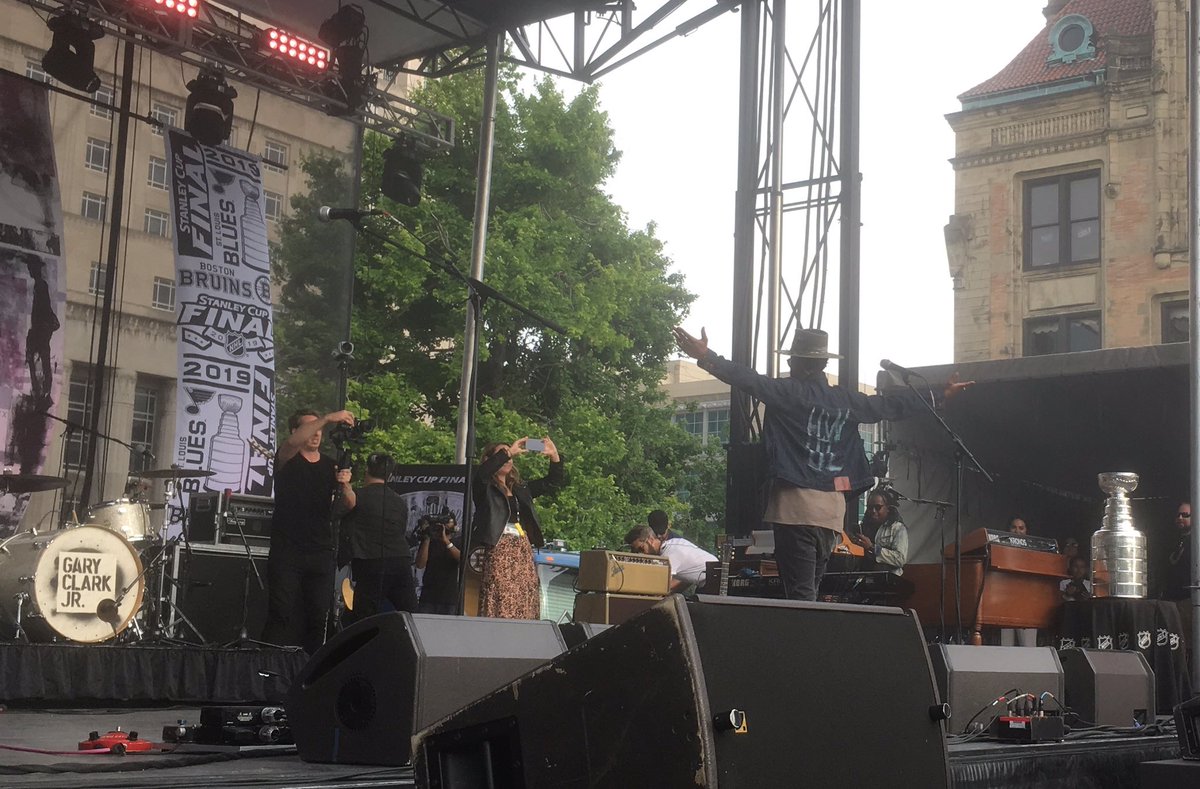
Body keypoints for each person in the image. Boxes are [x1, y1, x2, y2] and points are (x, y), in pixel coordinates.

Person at [673, 325, 971, 601]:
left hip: (795, 508)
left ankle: (805, 655)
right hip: (831, 514)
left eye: (791, 361)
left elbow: (747, 379)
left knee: (801, 596)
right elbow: (888, 406)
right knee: (810, 591)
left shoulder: (788, 392)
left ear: (798, 363)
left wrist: (706, 357)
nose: (788, 365)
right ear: (823, 365)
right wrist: (937, 396)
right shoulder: (846, 400)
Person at [262, 409, 356, 653]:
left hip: (320, 550)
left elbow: (350, 503)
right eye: (311, 428)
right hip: (288, 548)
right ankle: (267, 668)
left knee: (318, 616)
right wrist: (326, 418)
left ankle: (309, 671)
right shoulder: (287, 458)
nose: (316, 434)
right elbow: (292, 443)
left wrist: (345, 484)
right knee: (281, 612)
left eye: (320, 430)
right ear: (296, 430)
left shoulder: (329, 465)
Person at [472, 437, 564, 619]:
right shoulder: (485, 487)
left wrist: (554, 456)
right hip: (500, 547)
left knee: (525, 590)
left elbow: (552, 483)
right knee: (502, 591)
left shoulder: (520, 488)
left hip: (521, 547)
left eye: (510, 456)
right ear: (490, 459)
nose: (508, 459)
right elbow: (480, 474)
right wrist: (508, 452)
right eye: (502, 454)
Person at [340, 453, 417, 618]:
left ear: (367, 470)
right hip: (400, 560)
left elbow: (340, 510)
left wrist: (344, 484)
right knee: (410, 614)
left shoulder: (358, 495)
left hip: (371, 561)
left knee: (363, 617)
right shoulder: (399, 501)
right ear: (389, 475)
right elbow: (402, 530)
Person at [625, 525, 718, 592]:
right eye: (636, 552)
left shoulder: (669, 554)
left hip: (714, 582)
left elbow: (662, 588)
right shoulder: (672, 544)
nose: (641, 554)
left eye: (641, 548)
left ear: (650, 540)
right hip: (709, 581)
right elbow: (684, 579)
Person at [851, 488, 908, 575]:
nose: (873, 511)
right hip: (866, 577)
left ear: (888, 508)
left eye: (878, 507)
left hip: (889, 580)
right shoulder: (863, 528)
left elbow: (900, 559)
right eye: (870, 507)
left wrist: (872, 548)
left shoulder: (898, 528)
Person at [416, 512, 462, 615]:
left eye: (447, 523)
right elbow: (420, 564)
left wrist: (446, 541)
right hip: (428, 596)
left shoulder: (458, 542)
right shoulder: (430, 543)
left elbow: (461, 559)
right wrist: (427, 538)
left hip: (449, 598)